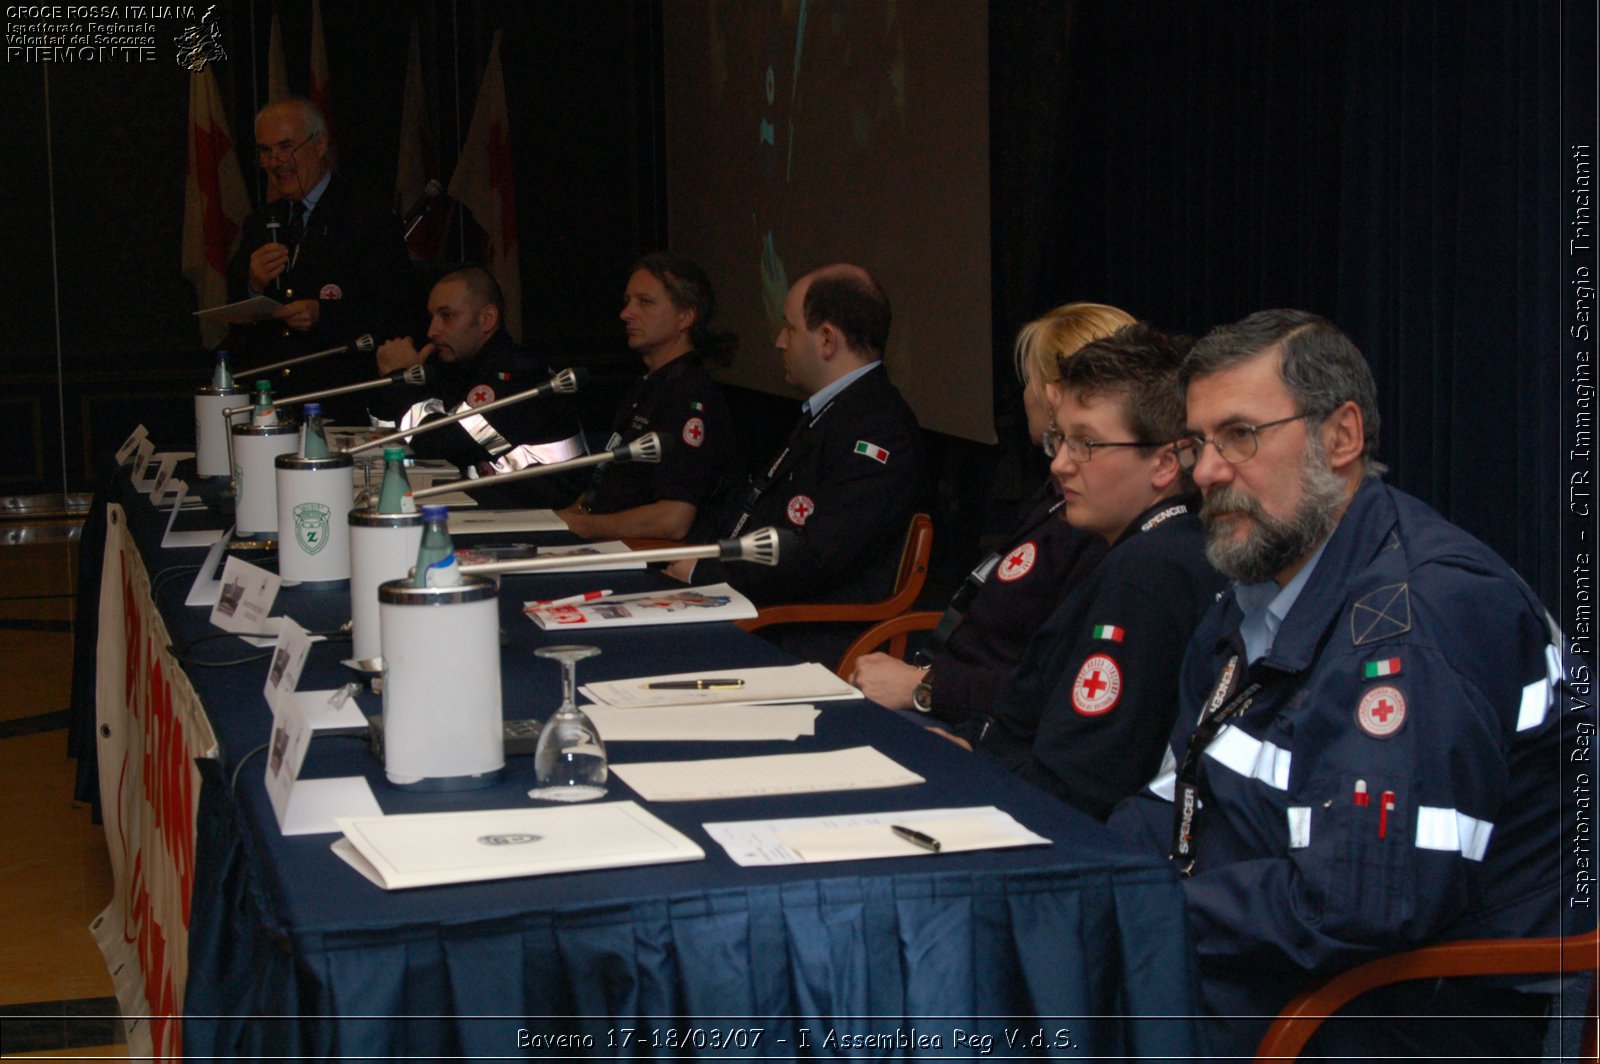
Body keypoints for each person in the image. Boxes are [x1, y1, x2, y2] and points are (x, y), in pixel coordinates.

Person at [1107, 310, 1586, 1059]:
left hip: (1395, 1010)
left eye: (1240, 435)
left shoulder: (1415, 622)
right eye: (1198, 444)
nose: (1206, 471)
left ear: (1341, 437)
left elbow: (1360, 903)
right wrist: (1091, 874)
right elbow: (1186, 787)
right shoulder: (1257, 587)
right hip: (1269, 957)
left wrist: (1140, 907)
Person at [956, 323, 1224, 818]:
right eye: (1060, 440)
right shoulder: (1155, 548)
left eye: (1086, 444)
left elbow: (1076, 786)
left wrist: (967, 767)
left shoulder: (1146, 575)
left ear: (1166, 463)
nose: (1059, 464)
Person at [847, 303, 1131, 729]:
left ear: (1058, 393)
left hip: (970, 723)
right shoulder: (1055, 494)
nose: (1026, 396)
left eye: (1029, 382)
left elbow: (1048, 683)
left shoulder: (1093, 517)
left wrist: (922, 687)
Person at [668, 264, 925, 663]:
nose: (779, 341)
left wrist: (702, 573)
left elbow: (818, 558)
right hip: (761, 612)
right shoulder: (834, 412)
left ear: (826, 340)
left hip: (800, 635)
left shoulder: (877, 428)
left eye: (789, 328)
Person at [224, 98, 413, 416]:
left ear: (320, 144)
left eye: (286, 147)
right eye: (266, 151)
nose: (276, 161)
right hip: (271, 402)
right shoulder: (262, 222)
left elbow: (395, 309)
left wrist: (323, 313)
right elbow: (235, 309)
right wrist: (253, 284)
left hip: (339, 400)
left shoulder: (366, 216)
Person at [368, 267, 587, 508]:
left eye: (446, 316)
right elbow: (386, 432)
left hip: (547, 516)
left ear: (487, 319)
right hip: (493, 505)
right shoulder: (456, 365)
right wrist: (391, 382)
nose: (432, 331)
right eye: (432, 317)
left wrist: (400, 379)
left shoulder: (519, 375)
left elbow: (441, 444)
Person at [556, 253, 736, 541]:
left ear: (685, 317)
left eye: (645, 302)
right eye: (628, 301)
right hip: (606, 543)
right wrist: (555, 522)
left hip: (640, 559)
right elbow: (608, 488)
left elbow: (673, 520)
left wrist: (579, 526)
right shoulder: (650, 384)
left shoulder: (690, 396)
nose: (626, 313)